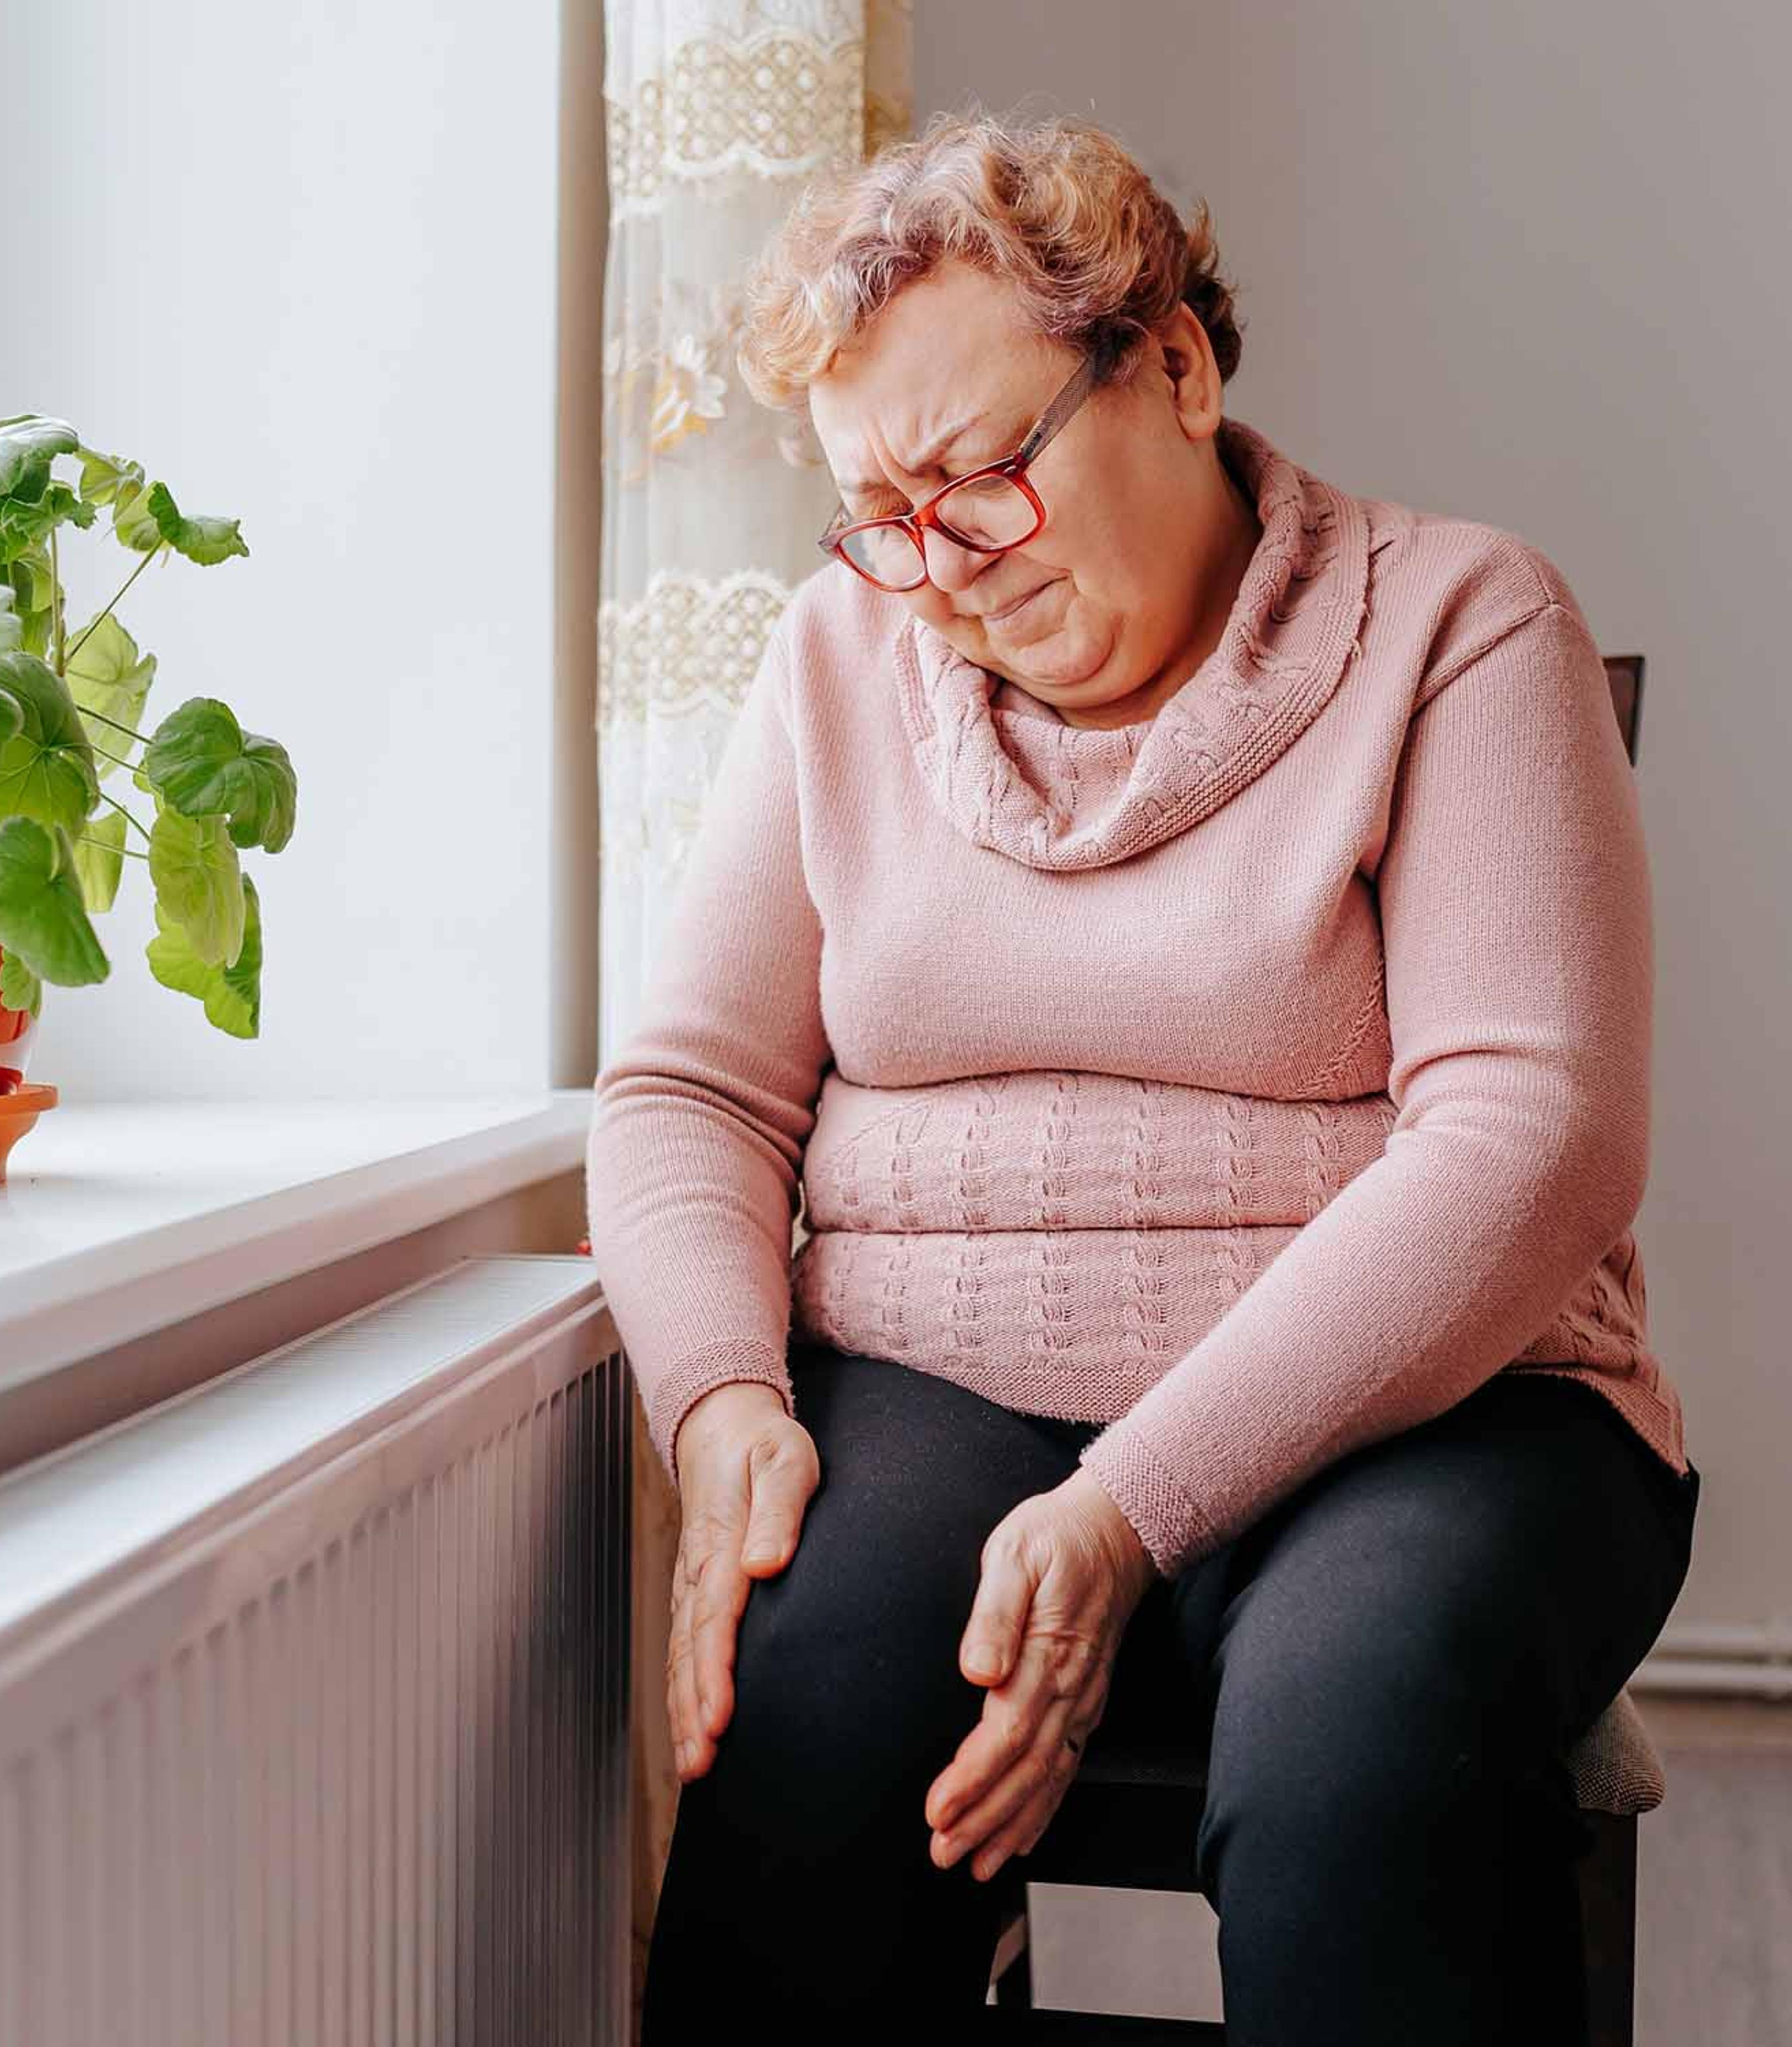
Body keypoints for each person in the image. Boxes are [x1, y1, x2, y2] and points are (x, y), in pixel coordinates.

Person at [583, 107, 1700, 2044]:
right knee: (808, 1718)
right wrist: (722, 1405)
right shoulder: (840, 658)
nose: (934, 569)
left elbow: (1533, 1143)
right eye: (883, 512)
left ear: (1172, 364)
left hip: (1440, 1418)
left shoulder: (1461, 624)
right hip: (945, 1388)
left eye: (982, 475)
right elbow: (695, 1091)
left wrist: (1129, 1506)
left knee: (1363, 1760)